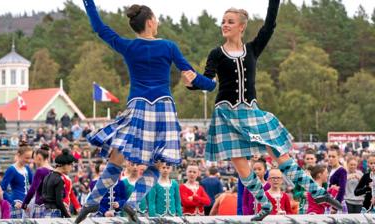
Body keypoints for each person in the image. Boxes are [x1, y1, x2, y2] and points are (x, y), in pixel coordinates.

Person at [189, 0, 342, 220]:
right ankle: (264, 204)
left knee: (282, 157)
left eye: (230, 21)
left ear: (241, 26)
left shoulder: (252, 48)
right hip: (226, 114)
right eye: (223, 21)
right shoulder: (216, 54)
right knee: (242, 167)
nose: (225, 25)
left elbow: (269, 26)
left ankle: (318, 193)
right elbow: (207, 79)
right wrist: (192, 82)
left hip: (252, 112)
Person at [76, 0, 215, 223]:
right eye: (156, 19)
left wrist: (88, 2)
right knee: (158, 165)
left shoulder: (129, 47)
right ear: (150, 22)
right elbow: (193, 76)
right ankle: (133, 202)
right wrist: (210, 84)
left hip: (138, 106)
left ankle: (92, 200)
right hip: (163, 108)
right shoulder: (168, 46)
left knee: (116, 159)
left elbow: (100, 29)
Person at [0, 143, 33, 218]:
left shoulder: (27, 168)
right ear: (19, 155)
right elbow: (1, 189)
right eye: (26, 158)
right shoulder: (11, 169)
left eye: (30, 158)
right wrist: (13, 202)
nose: (28, 160)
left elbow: (34, 184)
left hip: (27, 204)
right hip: (17, 204)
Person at [42, 149, 77, 218]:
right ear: (65, 165)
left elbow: (44, 195)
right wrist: (67, 216)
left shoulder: (47, 176)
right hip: (55, 213)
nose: (72, 168)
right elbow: (59, 201)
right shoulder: (59, 179)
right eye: (71, 165)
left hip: (45, 211)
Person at [21, 144, 53, 218]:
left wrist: (25, 204)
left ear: (39, 158)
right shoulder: (53, 171)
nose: (33, 161)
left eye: (34, 158)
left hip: (40, 205)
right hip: (51, 206)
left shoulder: (40, 171)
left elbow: (32, 190)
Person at [327, 145, 347, 213]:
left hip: (337, 203)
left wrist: (335, 207)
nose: (331, 158)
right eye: (329, 156)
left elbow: (342, 190)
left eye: (333, 156)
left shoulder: (342, 170)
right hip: (330, 201)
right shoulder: (329, 169)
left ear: (338, 157)